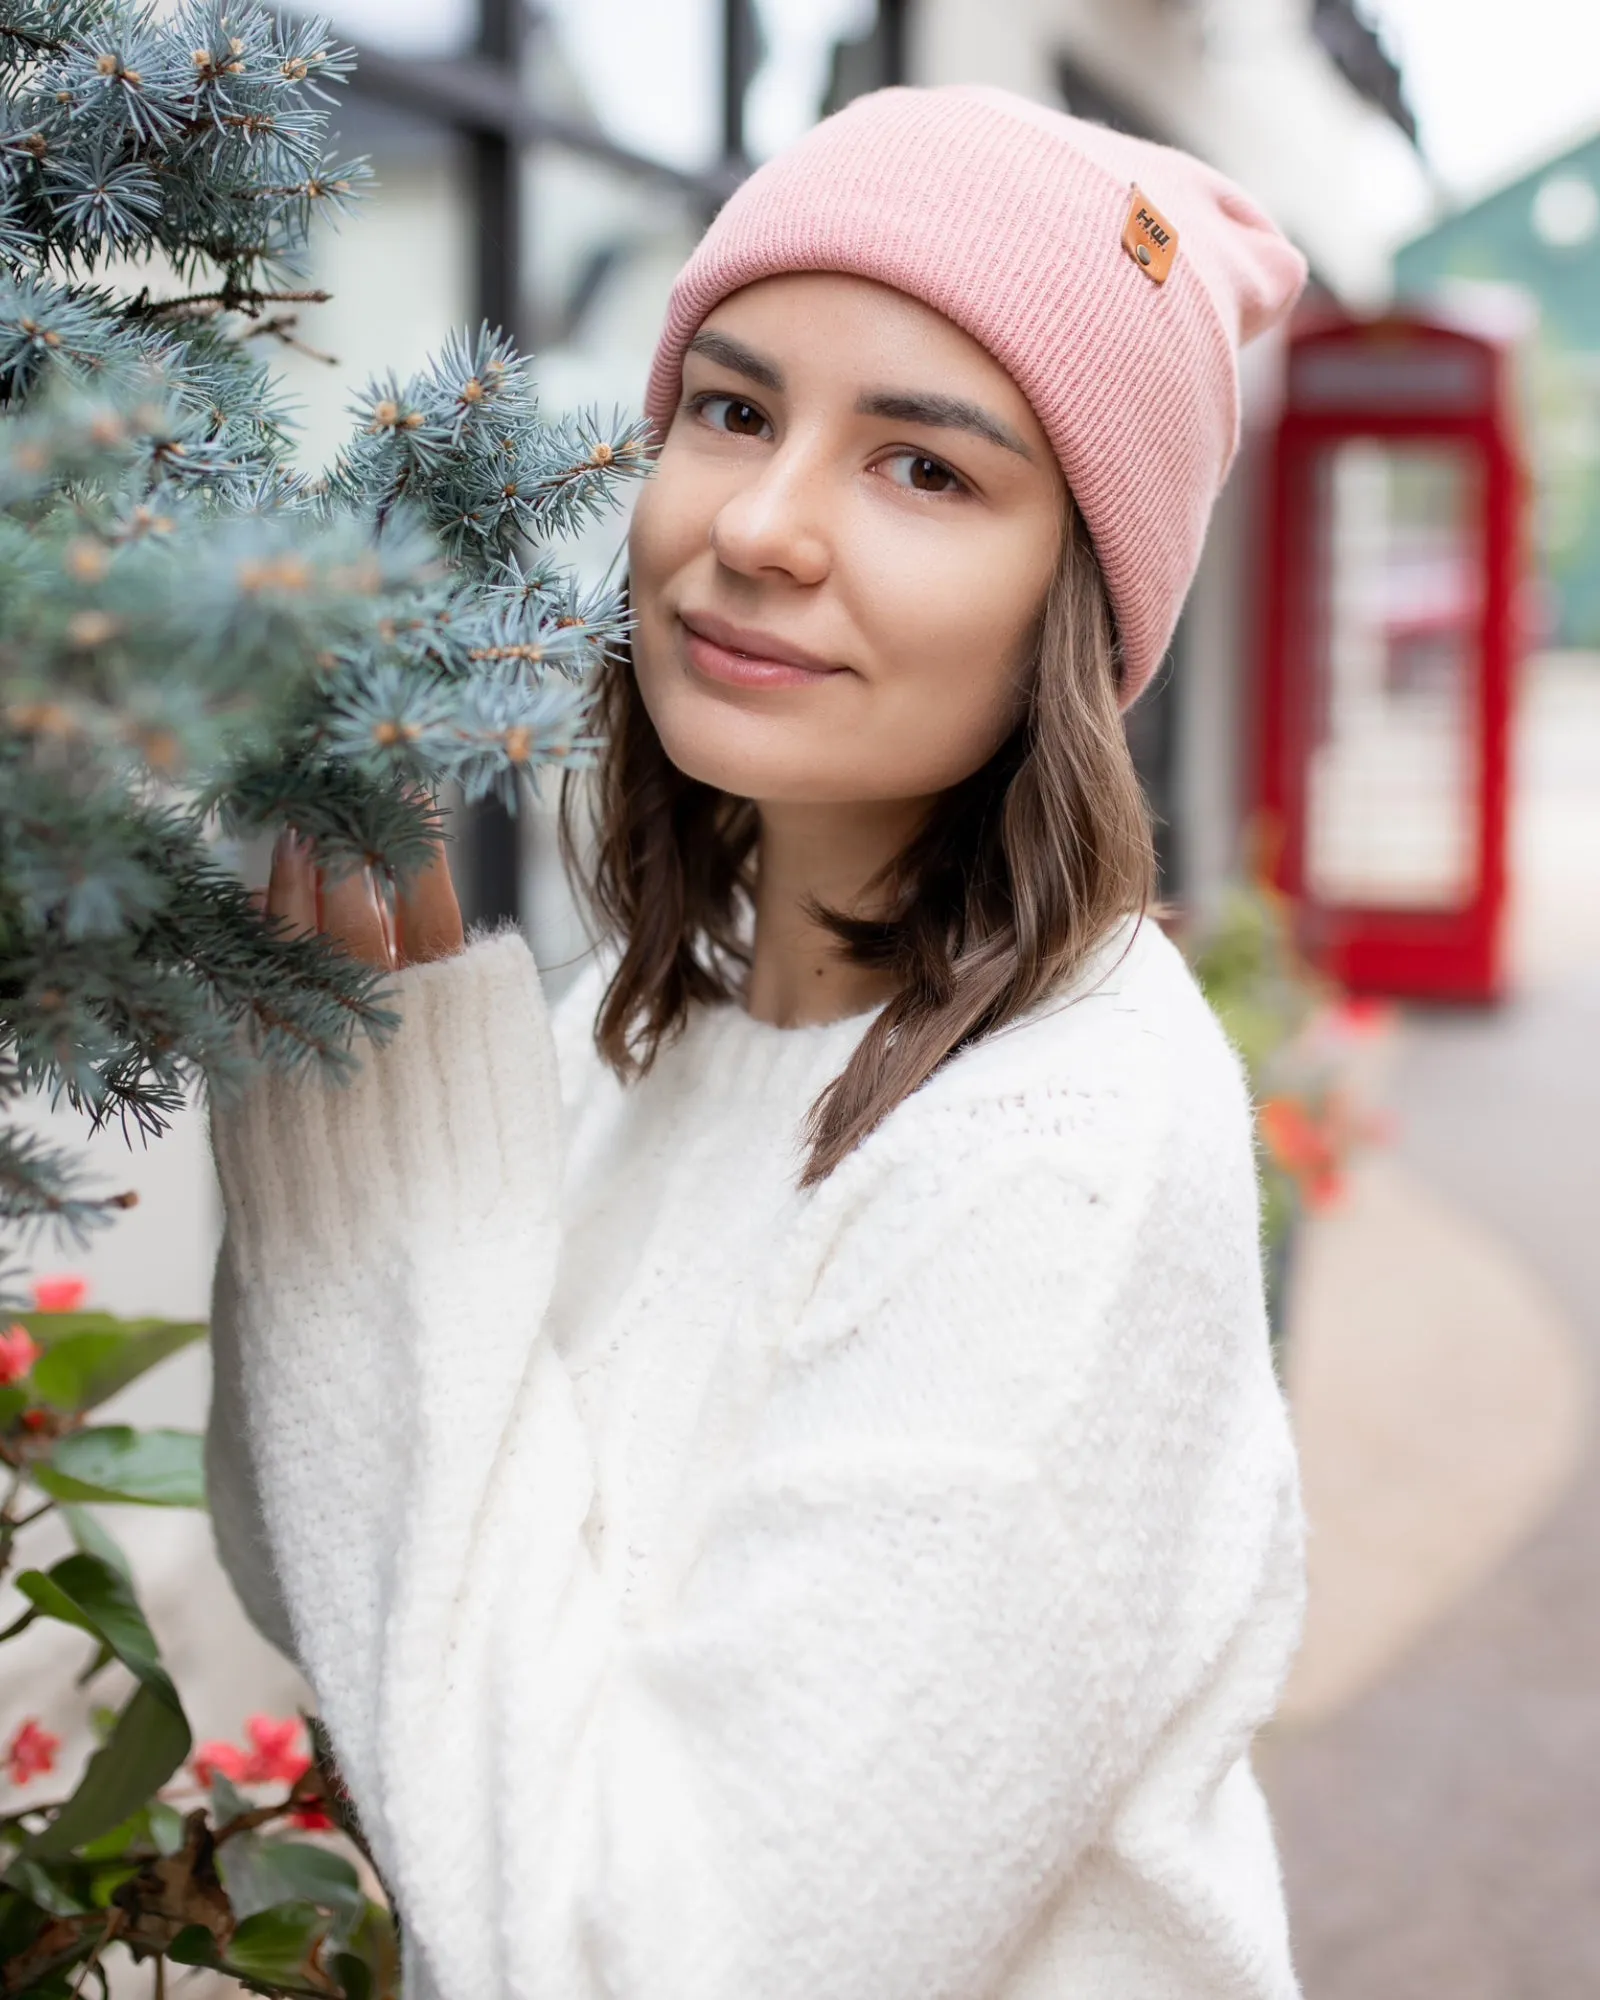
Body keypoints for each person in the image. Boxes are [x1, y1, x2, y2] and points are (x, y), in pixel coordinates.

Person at [207, 84, 1310, 2000]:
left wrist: (394, 1229)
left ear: (1082, 600)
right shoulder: (647, 1024)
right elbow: (332, 1582)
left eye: (926, 470)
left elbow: (666, 1961)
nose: (765, 527)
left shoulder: (1063, 1139)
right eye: (732, 409)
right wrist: (357, 1187)